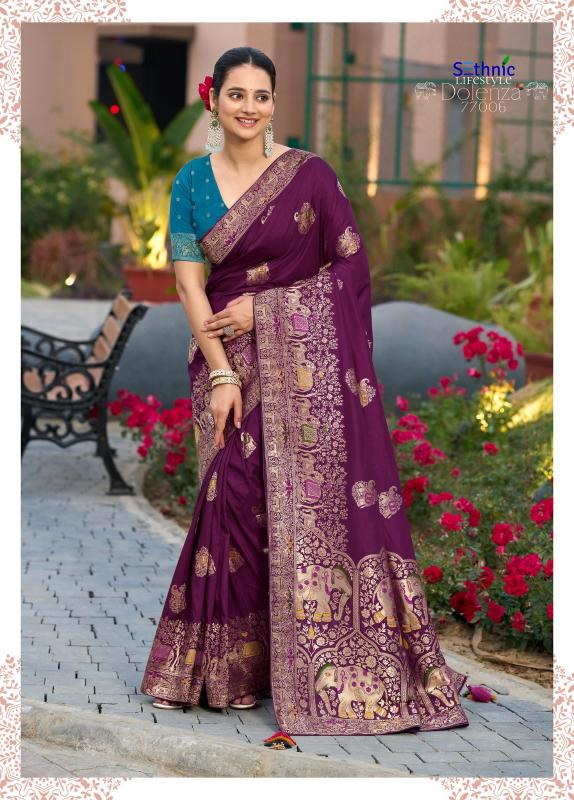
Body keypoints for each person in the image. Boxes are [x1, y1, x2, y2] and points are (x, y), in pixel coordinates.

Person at [139, 46, 470, 735]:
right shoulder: (192, 181)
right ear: (213, 100)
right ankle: (226, 669)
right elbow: (189, 285)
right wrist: (223, 373)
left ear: (273, 103)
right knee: (230, 497)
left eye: (261, 96)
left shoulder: (309, 176)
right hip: (224, 358)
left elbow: (351, 269)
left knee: (279, 506)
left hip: (301, 367)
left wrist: (267, 311)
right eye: (236, 94)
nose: (249, 108)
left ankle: (288, 664)